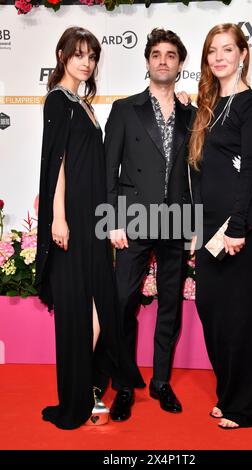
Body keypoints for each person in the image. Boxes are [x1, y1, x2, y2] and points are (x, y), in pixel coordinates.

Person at [104, 28, 194, 421]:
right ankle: (124, 383)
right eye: (156, 54)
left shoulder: (193, 114)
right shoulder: (125, 109)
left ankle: (160, 380)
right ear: (147, 61)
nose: (162, 60)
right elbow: (109, 170)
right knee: (123, 301)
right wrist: (112, 220)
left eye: (170, 55)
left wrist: (194, 224)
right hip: (134, 216)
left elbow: (197, 174)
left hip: (176, 216)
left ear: (179, 64)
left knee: (170, 303)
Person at [35, 26, 122, 429]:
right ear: (61, 54)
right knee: (75, 307)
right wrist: (58, 216)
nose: (86, 62)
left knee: (99, 302)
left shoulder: (83, 102)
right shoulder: (57, 100)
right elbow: (58, 162)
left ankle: (84, 382)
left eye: (91, 56)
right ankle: (76, 396)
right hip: (73, 216)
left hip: (95, 215)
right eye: (79, 54)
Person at [189, 23, 252, 429]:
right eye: (212, 51)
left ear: (242, 54)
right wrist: (194, 227)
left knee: (242, 317)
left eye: (227, 49)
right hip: (208, 227)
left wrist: (237, 226)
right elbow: (202, 175)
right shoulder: (206, 106)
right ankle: (228, 391)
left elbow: (249, 170)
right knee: (212, 311)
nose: (219, 57)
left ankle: (246, 407)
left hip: (242, 223)